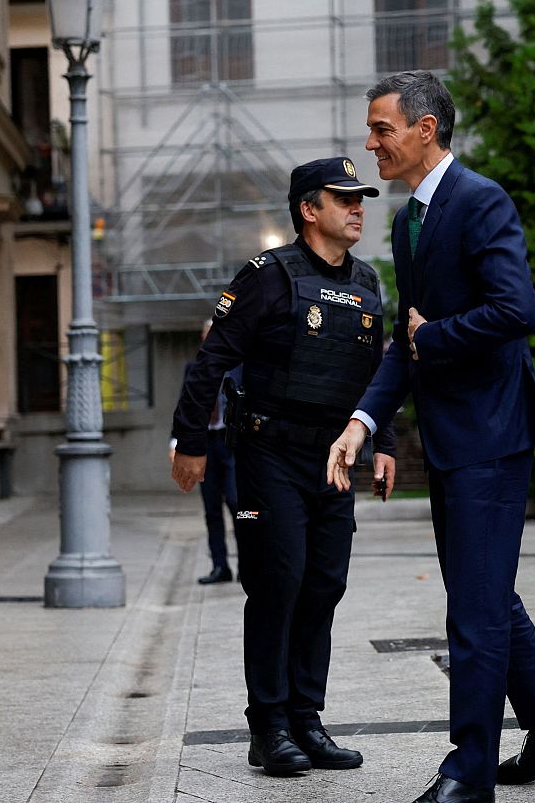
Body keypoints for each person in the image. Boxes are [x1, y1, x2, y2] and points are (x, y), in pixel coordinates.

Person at [325, 71, 535, 803]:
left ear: (425, 130)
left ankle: (468, 772)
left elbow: (517, 310)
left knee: (473, 607)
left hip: (491, 435)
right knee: (485, 593)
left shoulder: (481, 201)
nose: (371, 142)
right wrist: (363, 421)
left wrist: (435, 336)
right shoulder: (412, 219)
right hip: (453, 437)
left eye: (382, 129)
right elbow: (406, 346)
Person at [170, 156, 397, 778]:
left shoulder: (369, 283)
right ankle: (268, 728)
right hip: (269, 454)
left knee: (324, 587)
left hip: (333, 460)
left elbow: (375, 376)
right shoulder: (267, 277)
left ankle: (307, 721)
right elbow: (210, 362)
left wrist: (385, 442)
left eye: (361, 198)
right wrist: (190, 441)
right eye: (343, 197)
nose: (357, 207)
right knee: (279, 584)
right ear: (308, 209)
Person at [171, 323, 245, 585]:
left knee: (238, 504)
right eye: (208, 335)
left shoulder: (240, 365)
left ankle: (245, 565)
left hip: (232, 443)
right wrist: (176, 443)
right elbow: (185, 404)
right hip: (204, 444)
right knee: (211, 507)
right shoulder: (195, 369)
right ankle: (219, 566)